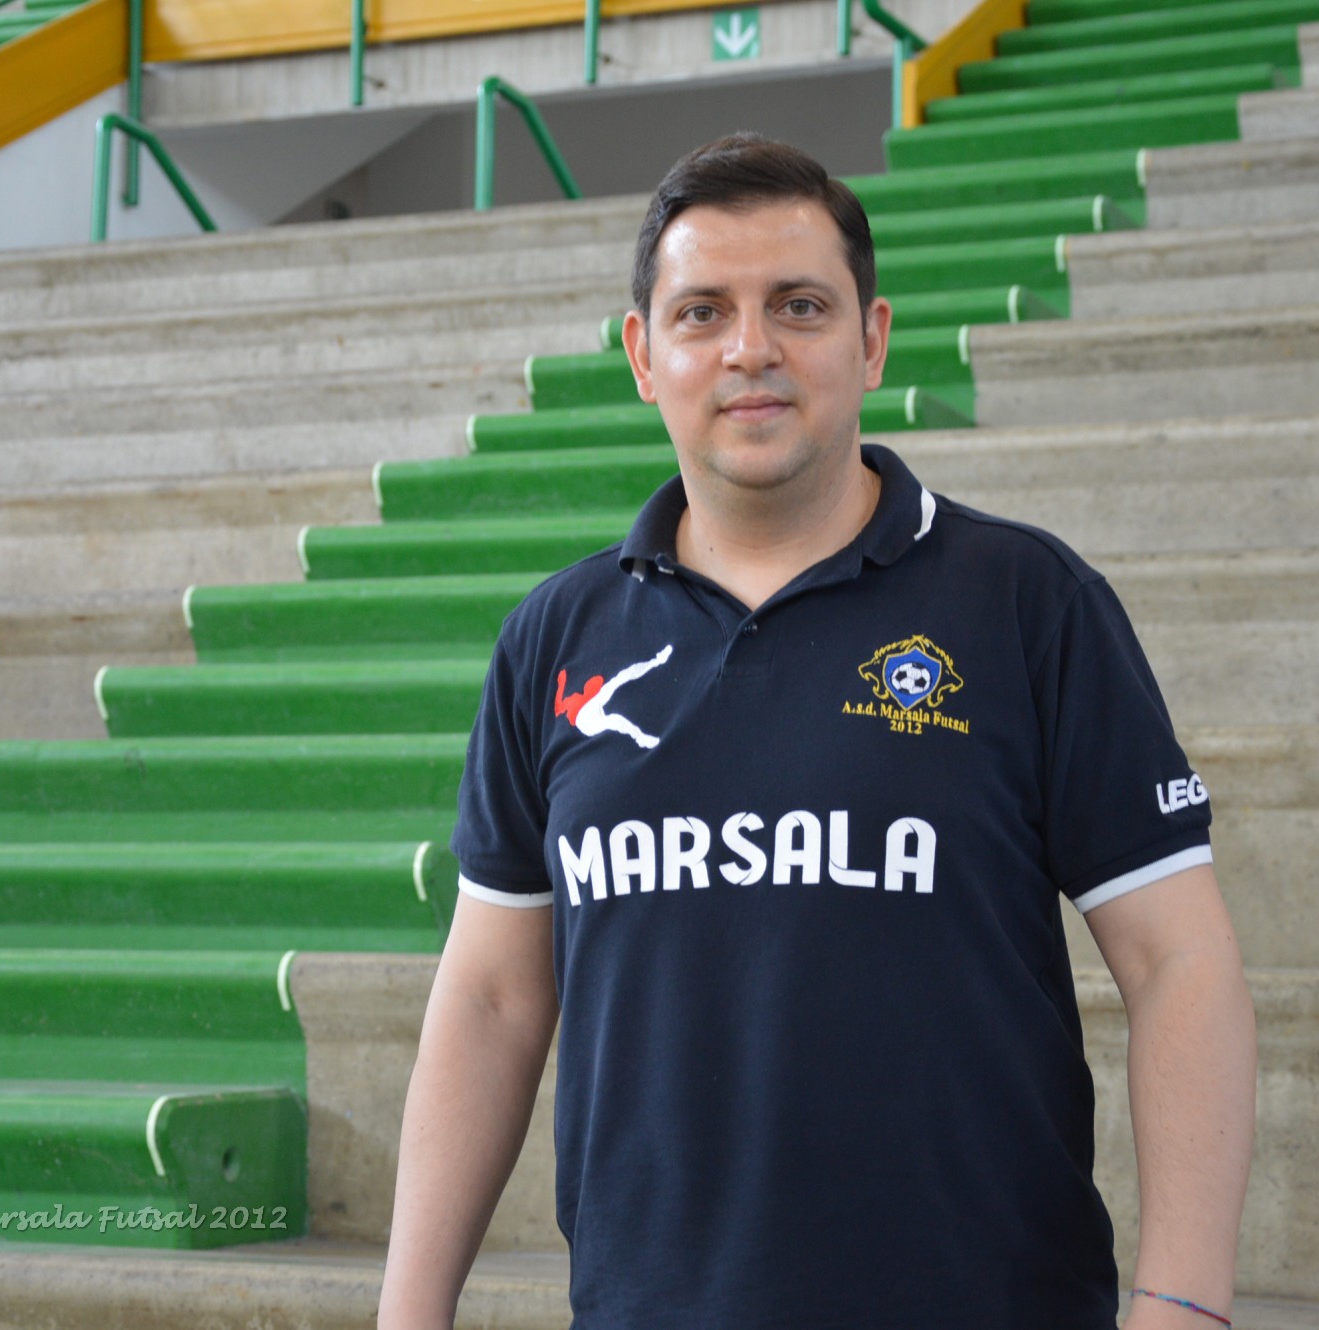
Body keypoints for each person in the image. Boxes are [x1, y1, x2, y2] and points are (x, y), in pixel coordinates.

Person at [377, 133, 1256, 1330]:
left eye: (798, 305)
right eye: (701, 313)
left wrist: (1182, 1305)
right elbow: (489, 999)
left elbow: (1178, 962)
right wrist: (407, 1313)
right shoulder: (555, 637)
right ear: (643, 355)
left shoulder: (1025, 602)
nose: (750, 348)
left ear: (870, 339)